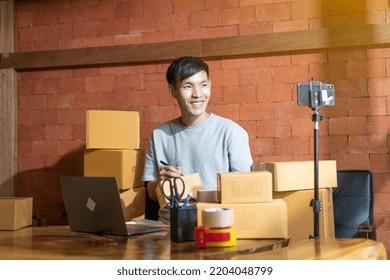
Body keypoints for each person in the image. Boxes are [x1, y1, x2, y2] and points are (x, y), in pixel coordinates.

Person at [142, 56, 253, 219]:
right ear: (172, 91)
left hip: (214, 222)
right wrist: (161, 182)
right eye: (188, 86)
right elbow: (151, 191)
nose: (197, 94)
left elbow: (244, 190)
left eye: (203, 85)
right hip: (168, 226)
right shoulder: (159, 135)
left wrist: (200, 196)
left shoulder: (231, 132)